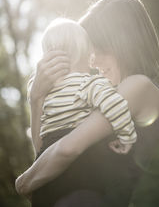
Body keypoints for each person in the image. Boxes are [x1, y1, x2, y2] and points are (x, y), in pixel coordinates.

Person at [16, 0, 159, 207]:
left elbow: (66, 149)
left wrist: (24, 183)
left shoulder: (138, 86)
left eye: (99, 48)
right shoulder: (100, 98)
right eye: (90, 51)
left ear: (123, 42)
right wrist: (37, 99)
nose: (93, 60)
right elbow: (46, 152)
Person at [30, 17, 136, 156]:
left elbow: (38, 146)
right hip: (82, 152)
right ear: (86, 54)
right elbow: (115, 105)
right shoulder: (88, 83)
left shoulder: (44, 92)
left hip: (48, 152)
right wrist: (127, 136)